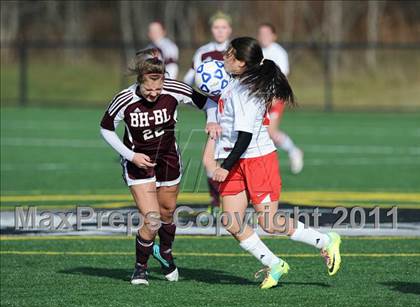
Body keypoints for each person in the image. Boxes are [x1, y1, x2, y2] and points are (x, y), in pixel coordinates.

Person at [203, 37, 341, 289]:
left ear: (242, 62)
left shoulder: (246, 90)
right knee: (231, 221)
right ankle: (274, 263)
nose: (224, 57)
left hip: (257, 160)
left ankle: (325, 241)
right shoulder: (236, 83)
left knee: (270, 222)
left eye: (229, 54)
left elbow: (244, 137)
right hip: (236, 160)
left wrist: (224, 165)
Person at [100, 48, 220, 286]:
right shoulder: (124, 99)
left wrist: (212, 120)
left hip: (168, 159)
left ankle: (165, 252)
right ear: (139, 82)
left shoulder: (174, 89)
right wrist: (130, 155)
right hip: (138, 163)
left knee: (166, 213)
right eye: (148, 89)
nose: (154, 93)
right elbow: (105, 128)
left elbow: (208, 103)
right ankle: (140, 269)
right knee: (152, 220)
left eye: (158, 88)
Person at [184, 11, 232, 215]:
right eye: (216, 27)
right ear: (211, 30)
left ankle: (237, 201)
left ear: (229, 29)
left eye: (223, 27)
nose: (220, 31)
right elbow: (191, 78)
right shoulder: (203, 53)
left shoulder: (236, 50)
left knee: (236, 154)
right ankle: (215, 202)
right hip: (213, 112)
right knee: (211, 157)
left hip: (235, 111)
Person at [257, 23, 304, 174]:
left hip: (275, 97)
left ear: (274, 36)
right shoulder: (256, 52)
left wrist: (276, 96)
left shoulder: (278, 52)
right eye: (261, 33)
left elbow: (282, 77)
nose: (264, 36)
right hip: (258, 99)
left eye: (267, 33)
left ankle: (293, 151)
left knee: (270, 132)